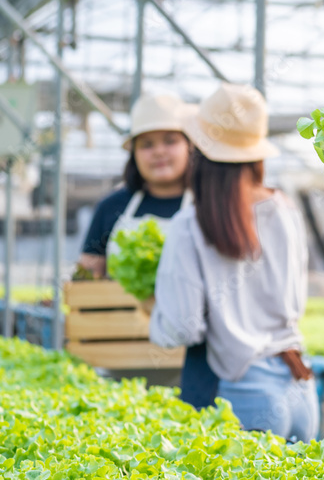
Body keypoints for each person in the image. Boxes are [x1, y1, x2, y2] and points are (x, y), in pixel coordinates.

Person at [148, 83, 318, 443]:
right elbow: (295, 302)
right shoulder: (285, 208)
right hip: (300, 390)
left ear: (198, 151)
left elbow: (182, 329)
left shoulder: (190, 225)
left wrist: (154, 309)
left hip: (242, 397)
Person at [77, 93, 219, 410]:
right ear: (134, 154)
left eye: (169, 141)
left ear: (189, 147)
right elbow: (87, 274)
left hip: (194, 359)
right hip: (118, 356)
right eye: (146, 144)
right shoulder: (112, 207)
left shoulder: (208, 203)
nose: (158, 152)